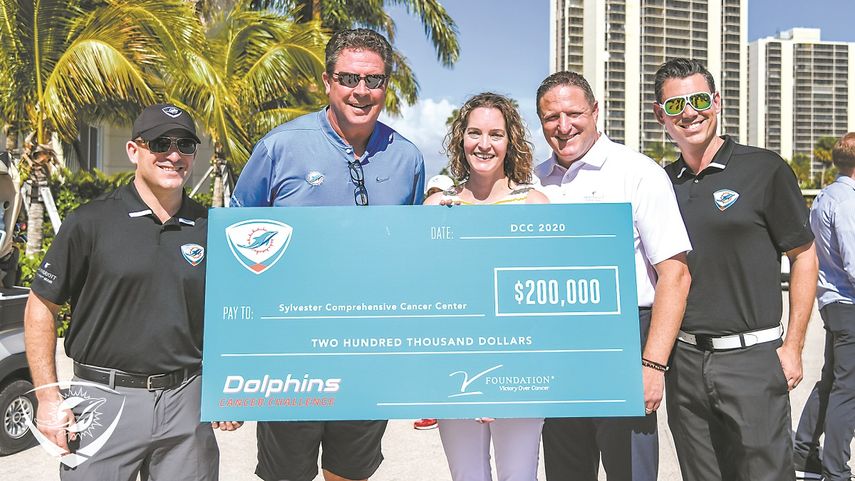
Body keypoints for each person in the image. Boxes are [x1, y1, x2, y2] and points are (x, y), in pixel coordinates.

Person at [230, 28, 425, 481]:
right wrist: (236, 360)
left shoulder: (408, 159)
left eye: (374, 80)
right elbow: (235, 249)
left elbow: (415, 260)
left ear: (386, 84)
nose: (362, 91)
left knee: (351, 473)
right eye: (349, 79)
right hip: (291, 356)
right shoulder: (280, 148)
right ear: (327, 81)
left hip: (369, 355)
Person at [24, 103, 241, 481]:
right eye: (161, 143)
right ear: (134, 151)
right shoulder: (89, 221)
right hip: (102, 399)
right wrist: (47, 396)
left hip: (185, 401)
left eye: (185, 145)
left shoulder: (210, 228)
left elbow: (230, 313)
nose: (174, 155)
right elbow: (41, 305)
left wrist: (226, 386)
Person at [651, 58, 818, 481]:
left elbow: (804, 255)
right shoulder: (659, 184)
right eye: (675, 105)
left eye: (699, 99)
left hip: (753, 360)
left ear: (717, 102)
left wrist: (793, 345)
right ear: (660, 116)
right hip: (685, 362)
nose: (689, 113)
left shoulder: (765, 169)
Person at [533, 71, 692, 481]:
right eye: (551, 117)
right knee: (566, 472)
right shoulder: (531, 181)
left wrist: (653, 367)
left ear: (596, 112)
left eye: (573, 113)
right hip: (557, 346)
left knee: (631, 472)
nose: (563, 126)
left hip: (626, 339)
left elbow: (675, 275)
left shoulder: (638, 172)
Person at [424, 91, 548, 481]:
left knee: (519, 476)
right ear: (461, 138)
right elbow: (428, 296)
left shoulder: (534, 203)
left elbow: (540, 302)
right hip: (453, 368)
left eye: (496, 134)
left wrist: (503, 377)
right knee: (467, 477)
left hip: (519, 370)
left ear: (510, 141)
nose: (484, 144)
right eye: (475, 133)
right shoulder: (437, 207)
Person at [792, 132, 855, 481]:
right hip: (849, 303)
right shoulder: (848, 203)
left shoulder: (827, 195)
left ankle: (803, 452)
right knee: (850, 391)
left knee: (832, 383)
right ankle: (836, 471)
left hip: (834, 302)